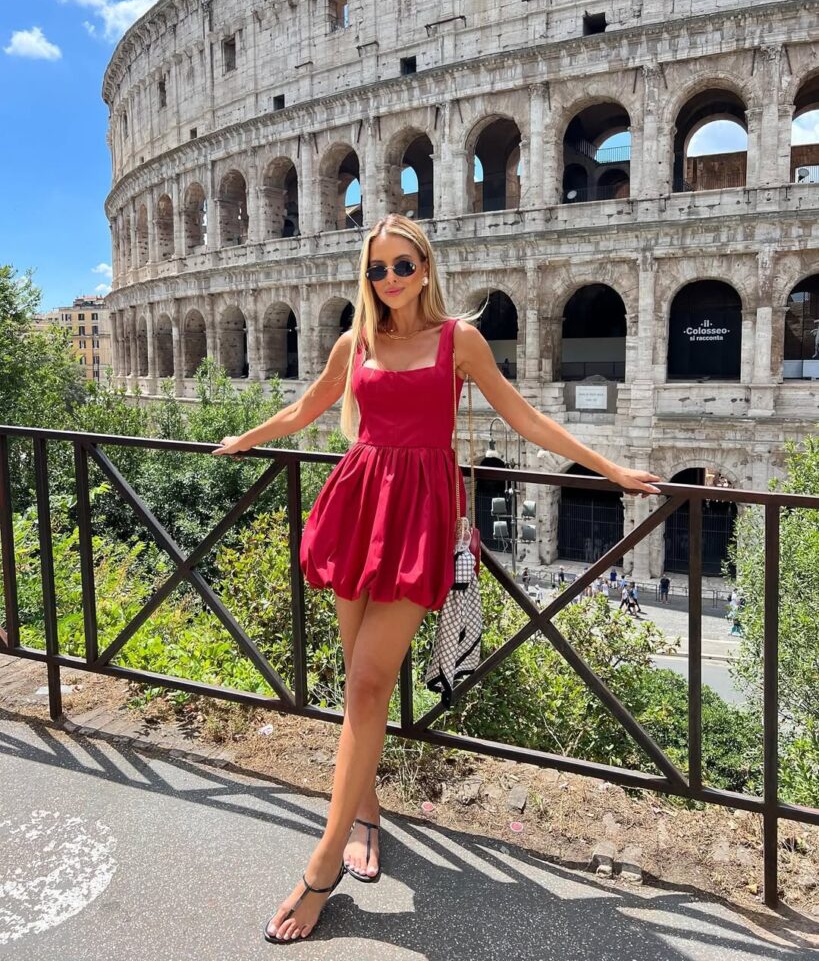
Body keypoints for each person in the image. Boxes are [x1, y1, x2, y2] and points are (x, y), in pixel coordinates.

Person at [213, 214, 663, 944]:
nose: (388, 280)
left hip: (419, 511)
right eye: (376, 270)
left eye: (400, 265)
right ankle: (364, 815)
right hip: (357, 502)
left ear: (424, 266)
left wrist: (608, 467)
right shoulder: (353, 341)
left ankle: (322, 865)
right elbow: (308, 408)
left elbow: (524, 418)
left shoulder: (460, 339)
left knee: (367, 683)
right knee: (356, 679)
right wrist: (244, 439)